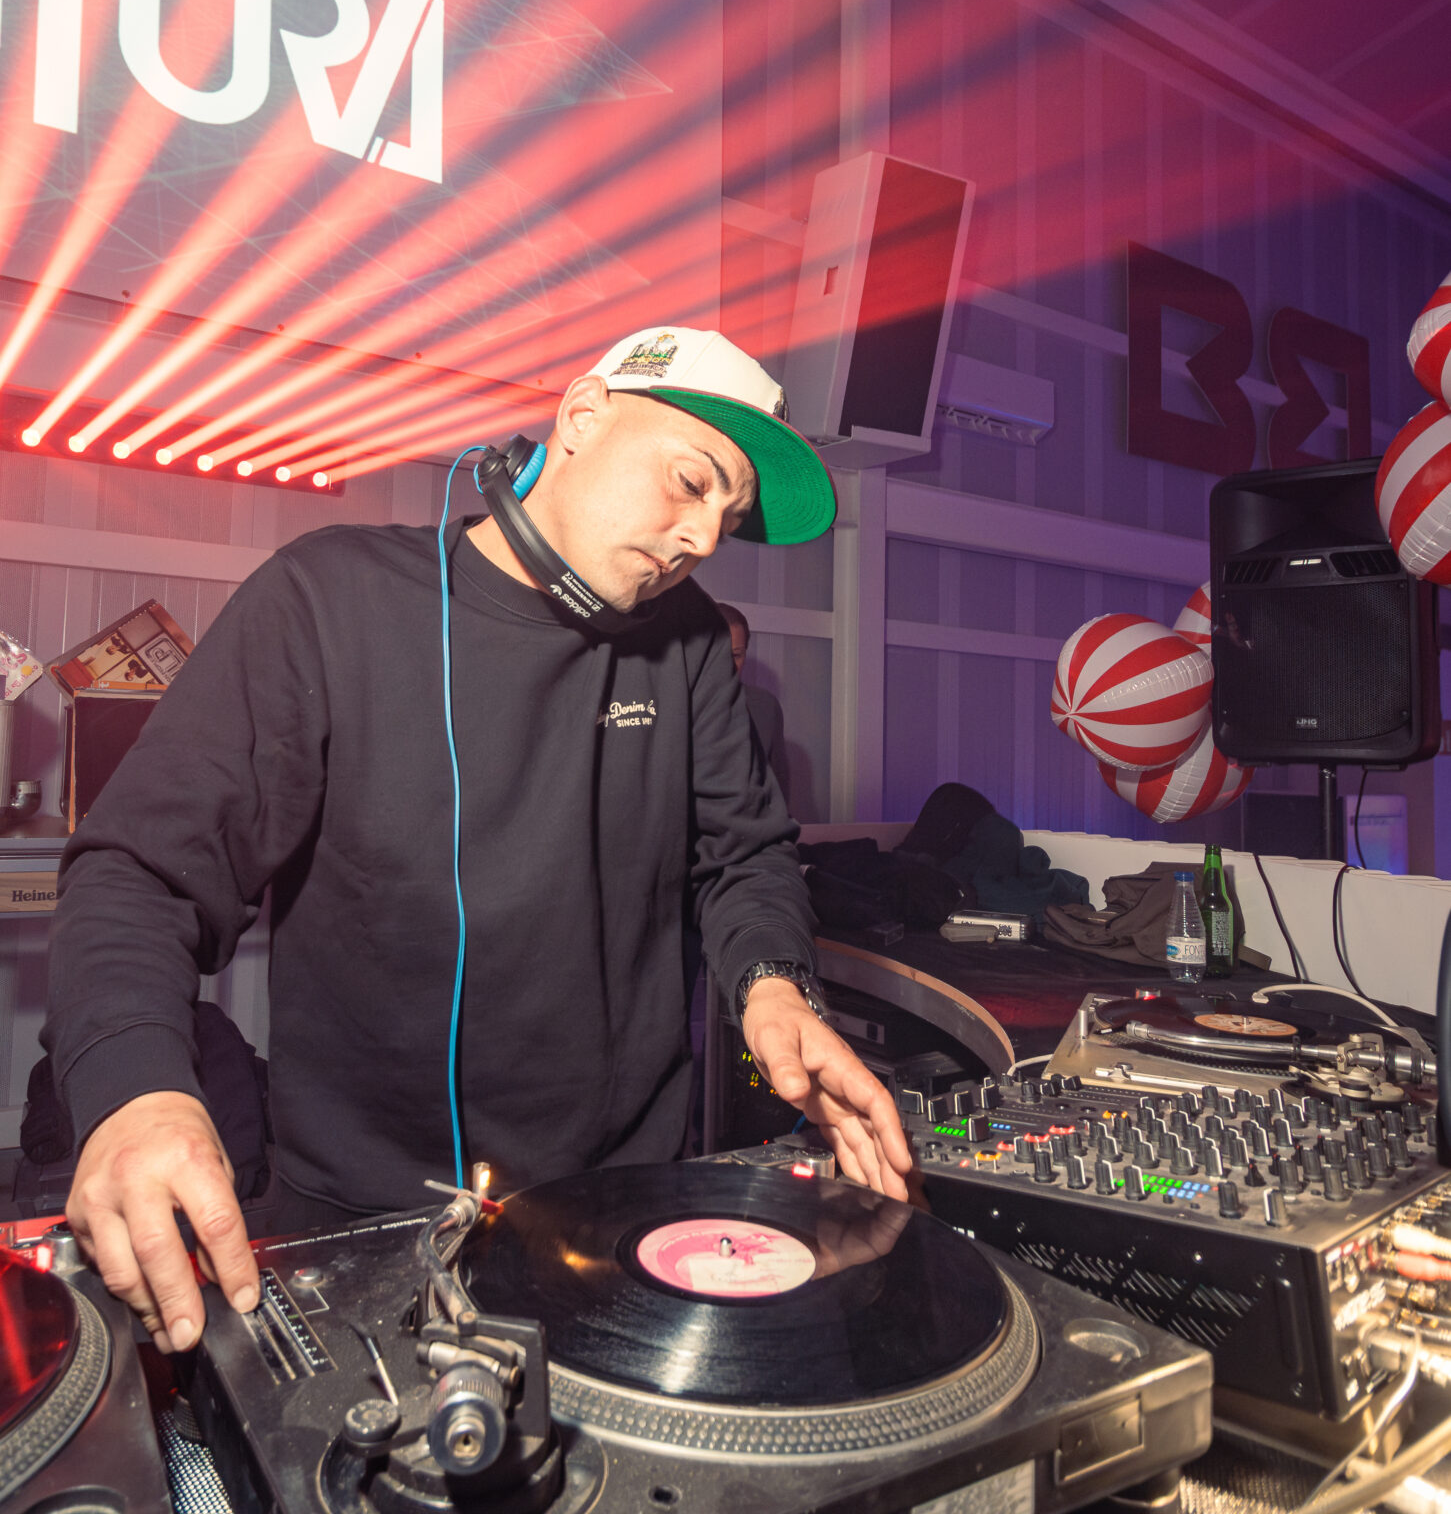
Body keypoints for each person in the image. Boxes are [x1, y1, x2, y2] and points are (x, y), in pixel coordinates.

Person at [45, 325, 912, 1354]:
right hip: (359, 1207)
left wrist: (773, 986)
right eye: (690, 481)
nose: (701, 537)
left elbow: (745, 855)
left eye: (727, 518)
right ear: (582, 416)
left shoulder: (686, 643)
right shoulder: (330, 597)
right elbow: (141, 873)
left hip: (625, 1198)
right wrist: (135, 1090)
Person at [715, 601, 793, 807]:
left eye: (736, 655)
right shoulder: (676, 706)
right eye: (718, 654)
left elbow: (778, 789)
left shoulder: (765, 706)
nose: (728, 665)